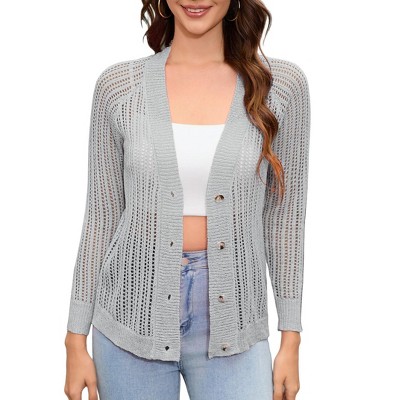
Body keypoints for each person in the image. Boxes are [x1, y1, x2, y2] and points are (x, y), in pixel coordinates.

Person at [64, 0, 311, 399]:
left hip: (235, 323)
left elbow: (285, 220)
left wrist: (291, 336)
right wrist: (75, 338)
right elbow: (101, 216)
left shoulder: (280, 86)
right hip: (129, 317)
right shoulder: (118, 87)